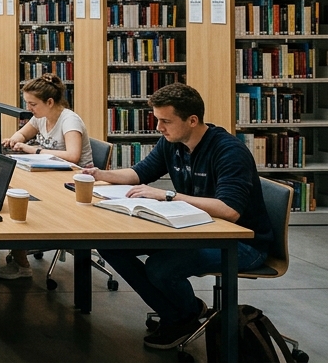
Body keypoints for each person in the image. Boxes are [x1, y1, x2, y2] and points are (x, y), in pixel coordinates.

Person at [90, 83, 273, 350]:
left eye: (166, 121)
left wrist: (168, 196)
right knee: (112, 246)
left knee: (161, 267)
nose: (159, 128)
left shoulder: (228, 151)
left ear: (192, 120)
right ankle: (182, 311)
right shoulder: (172, 143)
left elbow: (229, 211)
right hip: (194, 229)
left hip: (242, 242)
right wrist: (100, 175)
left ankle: (183, 316)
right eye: (157, 120)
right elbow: (139, 173)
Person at [0, 73, 92, 280]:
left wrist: (34, 150)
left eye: (33, 104)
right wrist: (14, 140)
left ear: (49, 102)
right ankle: (18, 255)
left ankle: (21, 264)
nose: (29, 108)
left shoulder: (69, 120)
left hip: (71, 186)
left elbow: (73, 156)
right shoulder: (41, 117)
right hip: (47, 176)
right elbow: (23, 134)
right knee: (11, 194)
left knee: (19, 204)